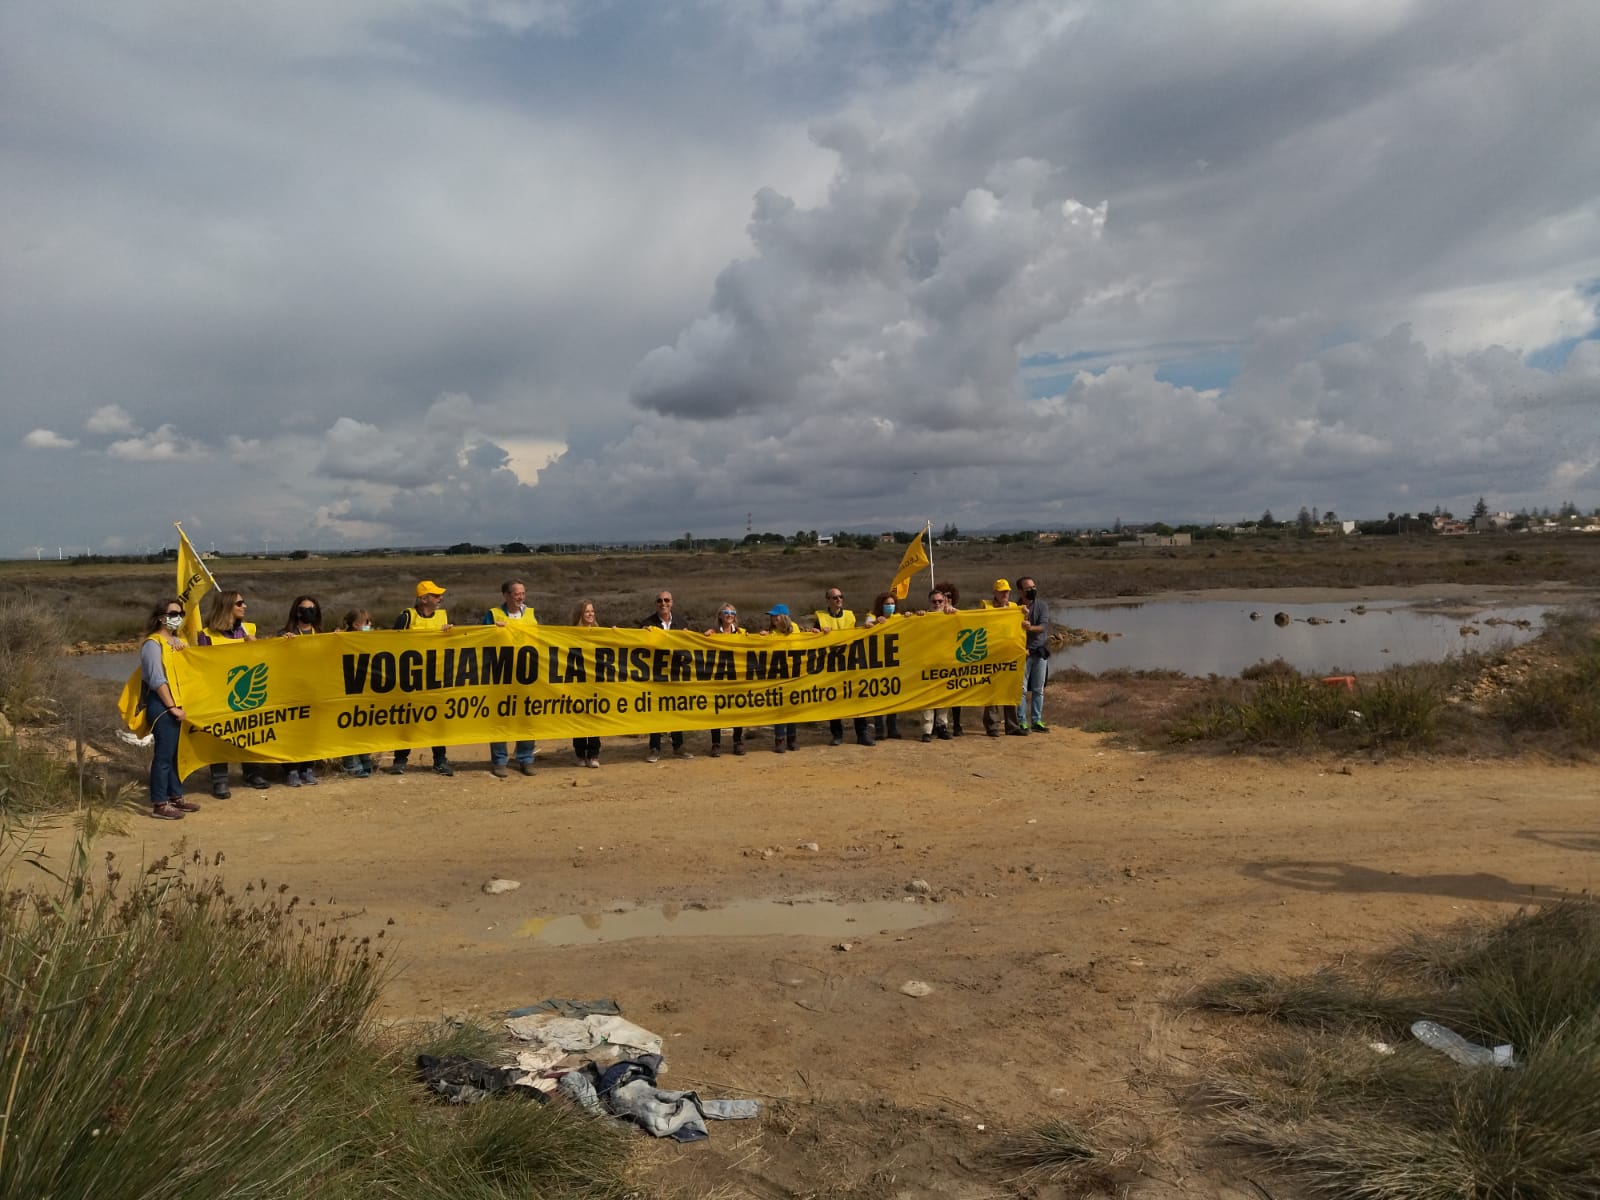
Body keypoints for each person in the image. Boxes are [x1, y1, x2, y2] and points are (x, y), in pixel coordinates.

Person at [196, 589, 268, 797]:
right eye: (239, 603)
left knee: (250, 731)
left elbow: (262, 662)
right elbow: (202, 665)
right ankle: (219, 780)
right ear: (227, 606)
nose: (244, 606)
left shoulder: (249, 630)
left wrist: (256, 647)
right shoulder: (207, 635)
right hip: (218, 693)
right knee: (220, 736)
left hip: (246, 692)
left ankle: (252, 773)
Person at [139, 599, 201, 820]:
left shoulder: (177, 641)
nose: (179, 616)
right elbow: (157, 679)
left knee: (176, 754)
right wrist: (172, 707)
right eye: (174, 613)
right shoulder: (152, 644)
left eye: (181, 613)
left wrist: (183, 649)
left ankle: (176, 796)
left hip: (178, 704)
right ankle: (159, 802)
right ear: (160, 618)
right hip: (163, 705)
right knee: (164, 755)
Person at [389, 581, 457, 776]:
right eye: (435, 596)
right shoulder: (406, 617)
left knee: (437, 720)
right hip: (410, 678)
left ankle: (440, 760)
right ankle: (400, 760)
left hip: (435, 676)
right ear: (424, 598)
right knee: (407, 719)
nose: (440, 599)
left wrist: (449, 634)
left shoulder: (443, 616)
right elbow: (391, 643)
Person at [484, 579, 537, 777]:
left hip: (526, 675)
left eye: (523, 593)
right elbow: (480, 641)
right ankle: (500, 761)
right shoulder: (493, 615)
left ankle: (526, 759)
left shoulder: (531, 614)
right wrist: (492, 631)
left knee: (526, 718)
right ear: (506, 595)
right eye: (516, 594)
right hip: (501, 675)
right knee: (500, 718)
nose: (520, 597)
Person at [811, 586, 874, 747]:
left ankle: (862, 733)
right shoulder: (820, 617)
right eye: (835, 597)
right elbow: (812, 635)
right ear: (828, 600)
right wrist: (816, 631)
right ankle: (837, 734)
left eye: (840, 597)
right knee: (834, 699)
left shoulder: (850, 615)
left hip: (850, 662)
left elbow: (856, 633)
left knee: (857, 698)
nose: (839, 600)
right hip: (831, 664)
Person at [640, 589, 693, 762]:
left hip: (676, 674)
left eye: (667, 600)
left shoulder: (681, 622)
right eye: (660, 601)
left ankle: (678, 746)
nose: (663, 604)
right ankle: (655, 747)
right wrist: (642, 634)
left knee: (676, 709)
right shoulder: (647, 623)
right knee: (656, 711)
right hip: (656, 675)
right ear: (656, 603)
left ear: (672, 602)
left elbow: (690, 645)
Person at [279, 596, 324, 786]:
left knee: (311, 732)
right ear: (297, 612)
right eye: (305, 608)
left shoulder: (321, 634)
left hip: (315, 689)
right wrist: (282, 643)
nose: (309, 612)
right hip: (292, 690)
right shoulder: (285, 633)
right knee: (292, 732)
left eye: (313, 608)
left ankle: (307, 767)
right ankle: (291, 769)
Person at [981, 579, 1027, 737]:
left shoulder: (1015, 607)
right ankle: (992, 726)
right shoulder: (985, 606)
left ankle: (1012, 726)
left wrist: (1025, 619)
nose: (1004, 594)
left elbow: (1021, 627)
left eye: (1006, 591)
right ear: (994, 592)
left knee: (1010, 689)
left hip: (1011, 655)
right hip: (992, 654)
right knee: (992, 690)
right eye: (1001, 591)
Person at [337, 609, 378, 777]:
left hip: (363, 688)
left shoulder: (368, 640)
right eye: (366, 623)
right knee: (349, 725)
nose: (370, 626)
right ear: (355, 625)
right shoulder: (340, 639)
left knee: (363, 724)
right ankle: (350, 762)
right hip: (346, 688)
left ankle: (364, 756)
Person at [705, 601, 746, 757]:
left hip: (737, 678)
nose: (730, 616)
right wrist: (707, 637)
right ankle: (716, 743)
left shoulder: (742, 633)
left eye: (732, 613)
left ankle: (737, 741)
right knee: (717, 711)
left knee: (738, 709)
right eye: (726, 613)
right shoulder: (713, 633)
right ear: (720, 616)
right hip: (719, 678)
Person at [919, 587, 956, 742]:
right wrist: (914, 616)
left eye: (940, 601)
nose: (937, 604)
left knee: (944, 695)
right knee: (927, 697)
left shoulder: (951, 614)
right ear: (929, 602)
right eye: (934, 601)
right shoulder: (923, 617)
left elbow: (968, 620)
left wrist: (954, 610)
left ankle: (942, 726)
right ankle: (927, 730)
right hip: (927, 662)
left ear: (945, 601)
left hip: (945, 661)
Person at [863, 591, 902, 740]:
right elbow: (866, 625)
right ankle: (879, 729)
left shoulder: (898, 618)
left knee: (893, 696)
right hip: (877, 662)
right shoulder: (872, 616)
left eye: (892, 604)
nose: (890, 606)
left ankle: (892, 728)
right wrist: (874, 623)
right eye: (887, 604)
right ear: (881, 605)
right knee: (877, 696)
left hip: (894, 661)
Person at [570, 599, 603, 767]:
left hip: (595, 682)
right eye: (587, 612)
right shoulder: (571, 634)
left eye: (592, 611)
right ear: (580, 615)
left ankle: (594, 754)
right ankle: (580, 754)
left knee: (594, 718)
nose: (590, 614)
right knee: (579, 718)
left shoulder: (600, 632)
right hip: (577, 681)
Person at [1017, 575, 1050, 733]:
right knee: (1021, 690)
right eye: (1028, 588)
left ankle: (1037, 720)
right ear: (1020, 591)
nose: (1032, 590)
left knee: (1038, 689)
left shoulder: (1042, 606)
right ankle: (1022, 721)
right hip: (1022, 653)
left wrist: (1029, 627)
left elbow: (1043, 627)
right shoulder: (1014, 608)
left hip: (1039, 652)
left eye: (1034, 587)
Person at [765, 604, 800, 753]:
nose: (773, 619)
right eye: (772, 616)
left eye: (776, 616)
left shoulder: (796, 629)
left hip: (794, 674)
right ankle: (779, 739)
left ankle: (792, 738)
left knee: (792, 707)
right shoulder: (770, 633)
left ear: (784, 617)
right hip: (778, 675)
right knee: (780, 709)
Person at [934, 579, 966, 737]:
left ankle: (957, 724)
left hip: (954, 657)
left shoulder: (956, 613)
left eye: (949, 596)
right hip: (937, 657)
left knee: (956, 693)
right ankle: (937, 724)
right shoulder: (932, 613)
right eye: (943, 596)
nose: (946, 599)